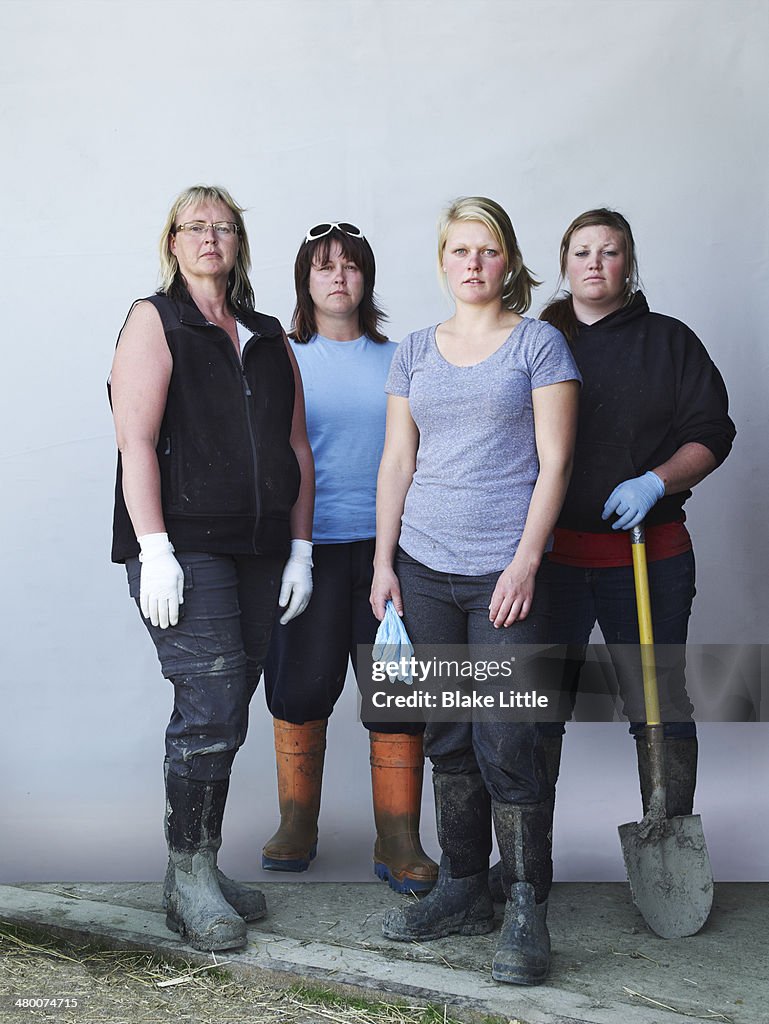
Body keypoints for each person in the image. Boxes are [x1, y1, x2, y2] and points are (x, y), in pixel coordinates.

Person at [370, 197, 580, 986]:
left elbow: (554, 461)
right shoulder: (415, 351)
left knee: (508, 735)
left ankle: (524, 902)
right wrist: (383, 562)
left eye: (486, 251)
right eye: (459, 250)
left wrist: (526, 561)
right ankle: (462, 887)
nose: (472, 263)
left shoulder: (539, 344)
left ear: (508, 262)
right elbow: (397, 460)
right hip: (422, 568)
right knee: (449, 734)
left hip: (504, 570)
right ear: (441, 262)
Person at [109, 185, 314, 952]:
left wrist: (301, 547)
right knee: (209, 705)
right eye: (195, 226)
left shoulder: (265, 333)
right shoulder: (154, 320)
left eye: (223, 227)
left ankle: (195, 868)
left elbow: (296, 448)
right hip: (186, 544)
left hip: (261, 548)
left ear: (238, 245)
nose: (209, 238)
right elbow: (136, 442)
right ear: (172, 240)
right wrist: (153, 547)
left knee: (229, 709)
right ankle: (189, 876)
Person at [537, 208, 735, 825]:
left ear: (628, 263)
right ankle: (525, 863)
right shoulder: (538, 339)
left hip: (649, 556)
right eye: (582, 252)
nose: (595, 263)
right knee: (535, 706)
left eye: (610, 251)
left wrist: (657, 480)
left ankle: (668, 837)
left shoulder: (671, 341)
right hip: (550, 562)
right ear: (565, 265)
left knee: (658, 701)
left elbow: (712, 432)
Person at [261, 223, 438, 894]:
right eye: (324, 267)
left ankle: (397, 837)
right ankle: (296, 821)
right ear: (305, 280)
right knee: (298, 688)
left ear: (366, 279)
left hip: (389, 554)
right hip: (301, 553)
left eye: (351, 267)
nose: (338, 277)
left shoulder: (402, 359)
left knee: (396, 691)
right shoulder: (280, 358)